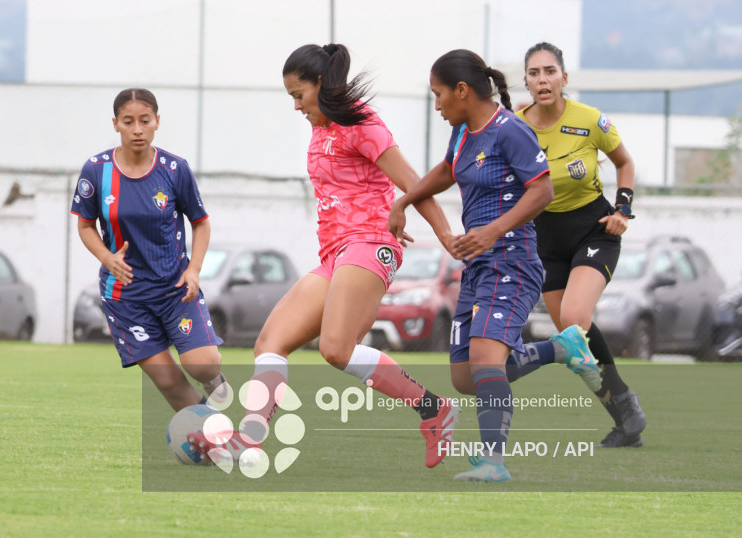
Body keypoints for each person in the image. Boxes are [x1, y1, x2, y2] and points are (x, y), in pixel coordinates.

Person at [189, 43, 460, 469]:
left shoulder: (363, 124)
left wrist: (445, 235)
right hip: (335, 253)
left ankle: (435, 409)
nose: (296, 106)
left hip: (370, 244)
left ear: (321, 85)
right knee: (270, 342)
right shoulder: (320, 129)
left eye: (299, 95)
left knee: (336, 349)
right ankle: (248, 440)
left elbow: (414, 183)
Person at [388, 49, 601, 483]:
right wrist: (405, 198)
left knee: (487, 358)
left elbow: (541, 192)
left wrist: (491, 231)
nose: (436, 105)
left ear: (462, 91)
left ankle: (493, 462)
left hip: (514, 259)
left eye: (439, 94)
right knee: (466, 377)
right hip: (479, 264)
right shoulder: (464, 132)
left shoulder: (511, 129)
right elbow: (448, 170)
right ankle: (561, 349)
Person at [515, 42, 646, 448]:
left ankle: (625, 406)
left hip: (593, 229)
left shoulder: (589, 121)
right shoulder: (514, 126)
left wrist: (623, 209)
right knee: (575, 342)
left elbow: (624, 162)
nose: (543, 79)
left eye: (550, 71)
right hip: (544, 240)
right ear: (527, 81)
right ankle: (624, 415)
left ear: (564, 78)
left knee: (575, 316)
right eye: (535, 73)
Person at [70, 88, 226, 413]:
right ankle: (214, 437)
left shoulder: (174, 169)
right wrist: (106, 257)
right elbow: (85, 226)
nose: (137, 129)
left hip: (175, 290)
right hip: (126, 297)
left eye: (145, 120)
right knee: (168, 382)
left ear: (157, 122)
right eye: (128, 122)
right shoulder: (96, 171)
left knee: (203, 365)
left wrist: (194, 270)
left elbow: (201, 222)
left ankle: (214, 382)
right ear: (116, 124)